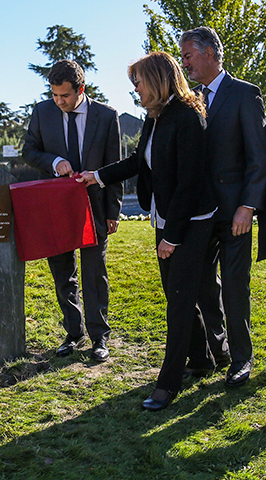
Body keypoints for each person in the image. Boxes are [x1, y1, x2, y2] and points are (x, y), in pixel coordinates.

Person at [79, 51, 217, 411]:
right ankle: (202, 360)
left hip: (189, 223)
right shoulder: (156, 116)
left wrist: (172, 236)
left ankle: (167, 385)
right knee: (179, 297)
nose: (135, 90)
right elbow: (139, 163)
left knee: (180, 302)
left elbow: (189, 183)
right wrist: (97, 176)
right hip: (165, 219)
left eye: (137, 82)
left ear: (156, 80)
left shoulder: (188, 116)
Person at [179, 26, 266, 388]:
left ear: (211, 53)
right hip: (200, 215)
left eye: (188, 56)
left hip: (235, 214)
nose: (184, 63)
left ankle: (242, 360)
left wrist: (248, 205)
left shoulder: (246, 94)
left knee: (234, 285)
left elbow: (259, 159)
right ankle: (220, 350)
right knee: (201, 284)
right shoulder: (189, 100)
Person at [22, 59, 123, 362]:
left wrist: (113, 211)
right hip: (56, 208)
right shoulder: (42, 112)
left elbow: (115, 166)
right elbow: (29, 150)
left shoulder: (107, 116)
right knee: (62, 273)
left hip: (95, 207)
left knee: (95, 275)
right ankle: (73, 332)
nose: (58, 101)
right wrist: (53, 162)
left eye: (64, 96)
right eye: (54, 95)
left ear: (81, 89)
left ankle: (99, 338)